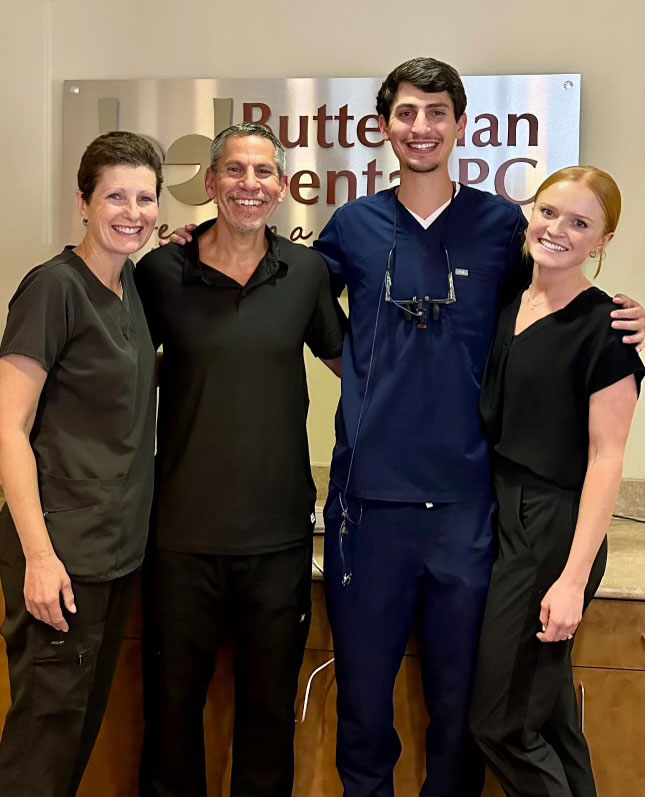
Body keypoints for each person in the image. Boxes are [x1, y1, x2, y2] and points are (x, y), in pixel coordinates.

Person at [312, 58, 645, 797]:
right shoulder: (351, 226)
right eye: (405, 112)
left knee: (463, 714)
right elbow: (288, 301)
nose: (421, 127)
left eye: (436, 112)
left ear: (461, 125)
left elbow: (563, 298)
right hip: (367, 508)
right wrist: (194, 246)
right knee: (365, 708)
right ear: (384, 125)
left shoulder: (503, 228)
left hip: (469, 508)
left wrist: (627, 315)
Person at [135, 122, 345, 797]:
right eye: (233, 171)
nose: (247, 185)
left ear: (282, 189)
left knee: (266, 719)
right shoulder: (161, 271)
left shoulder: (306, 271)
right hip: (179, 539)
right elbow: (117, 363)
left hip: (277, 539)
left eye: (262, 174)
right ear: (210, 183)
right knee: (169, 719)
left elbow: (356, 364)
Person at [470, 166, 643, 796]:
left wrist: (572, 580)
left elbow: (607, 458)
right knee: (549, 718)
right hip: (502, 512)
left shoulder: (608, 328)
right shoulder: (512, 298)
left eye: (580, 223)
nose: (557, 230)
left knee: (502, 725)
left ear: (603, 241)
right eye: (548, 213)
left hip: (554, 529)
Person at [0, 130, 162, 796]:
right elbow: (8, 427)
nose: (132, 211)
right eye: (115, 195)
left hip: (114, 555)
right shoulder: (54, 288)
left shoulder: (129, 289)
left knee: (75, 736)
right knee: (44, 740)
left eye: (145, 197)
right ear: (83, 204)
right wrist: (39, 556)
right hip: (59, 558)